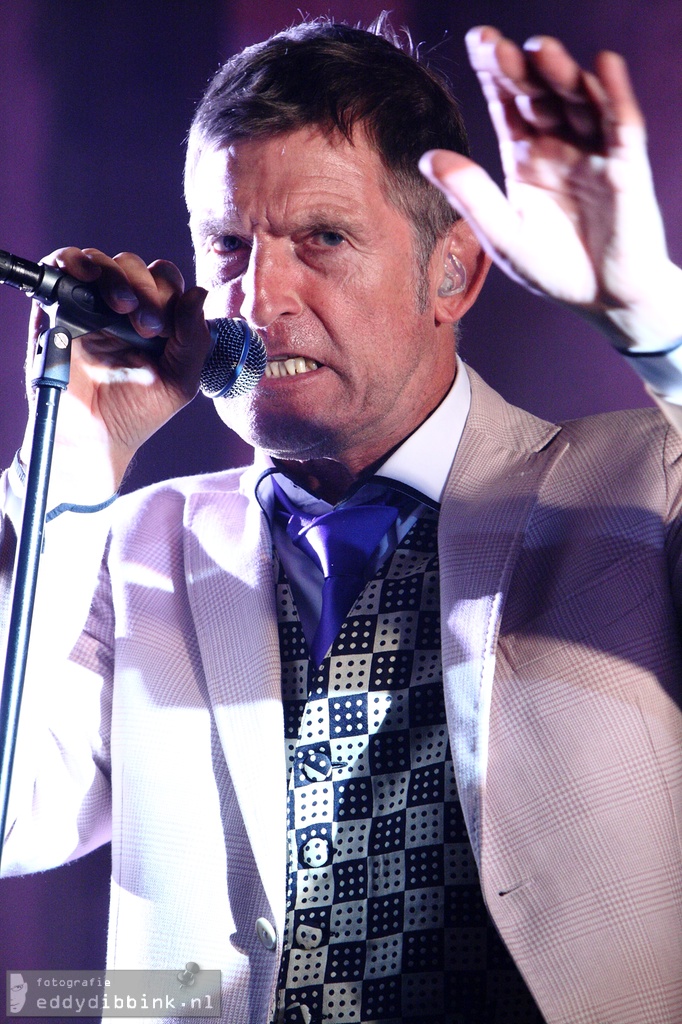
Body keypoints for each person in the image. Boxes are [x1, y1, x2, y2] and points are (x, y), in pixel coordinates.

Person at [1, 16, 682, 1024]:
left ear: (451, 272)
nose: (258, 294)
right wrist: (80, 445)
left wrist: (656, 324)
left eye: (322, 239)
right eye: (226, 244)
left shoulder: (634, 486)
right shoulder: (126, 546)